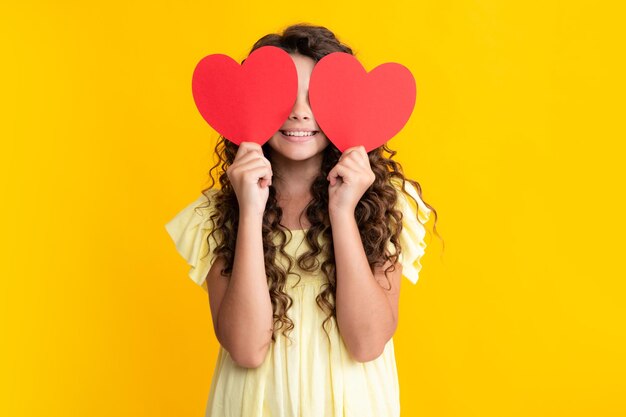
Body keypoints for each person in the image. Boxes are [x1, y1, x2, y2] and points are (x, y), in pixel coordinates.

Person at [165, 23, 440, 417]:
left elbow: (366, 342)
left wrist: (343, 212)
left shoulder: (384, 205)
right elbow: (245, 348)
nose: (298, 112)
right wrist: (250, 210)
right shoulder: (216, 214)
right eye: (282, 97)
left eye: (315, 97)